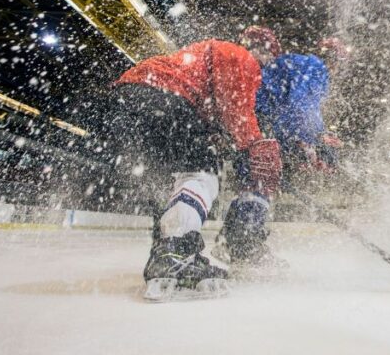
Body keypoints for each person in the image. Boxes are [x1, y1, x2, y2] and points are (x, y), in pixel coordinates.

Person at [99, 31, 283, 300]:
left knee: (167, 187)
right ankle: (176, 254)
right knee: (201, 176)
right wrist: (253, 144)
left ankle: (164, 256)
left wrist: (219, 136)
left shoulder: (203, 54)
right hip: (165, 97)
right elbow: (237, 108)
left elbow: (215, 108)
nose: (266, 66)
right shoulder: (240, 55)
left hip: (127, 99)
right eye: (268, 58)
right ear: (262, 49)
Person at [256, 36, 349, 176]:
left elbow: (297, 110)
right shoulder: (316, 67)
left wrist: (314, 135)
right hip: (259, 112)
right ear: (334, 60)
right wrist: (318, 135)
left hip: (260, 112)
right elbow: (299, 105)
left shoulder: (304, 64)